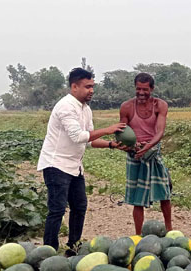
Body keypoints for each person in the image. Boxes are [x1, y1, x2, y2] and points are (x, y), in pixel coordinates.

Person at [37, 67, 127, 255]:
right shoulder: (65, 107)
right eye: (87, 87)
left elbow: (89, 140)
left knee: (79, 206)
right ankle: (48, 252)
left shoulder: (86, 110)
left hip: (74, 166)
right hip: (56, 164)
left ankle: (74, 248)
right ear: (74, 86)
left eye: (93, 86)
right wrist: (109, 129)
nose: (91, 90)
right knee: (57, 209)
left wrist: (111, 144)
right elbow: (79, 136)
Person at [119, 72, 172, 235]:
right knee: (137, 198)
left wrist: (148, 146)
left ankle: (170, 229)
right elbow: (122, 132)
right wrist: (131, 145)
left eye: (145, 89)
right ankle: (138, 234)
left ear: (152, 89)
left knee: (165, 194)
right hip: (135, 155)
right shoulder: (126, 107)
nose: (141, 93)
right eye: (138, 89)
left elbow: (159, 131)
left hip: (153, 153)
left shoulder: (160, 105)